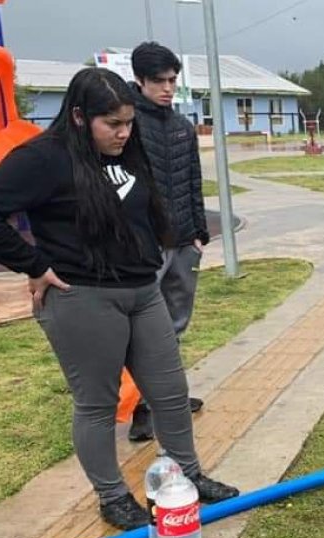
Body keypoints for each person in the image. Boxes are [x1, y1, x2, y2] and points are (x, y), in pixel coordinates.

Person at [0, 67, 239, 530]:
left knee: (170, 393)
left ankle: (187, 475)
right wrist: (33, 264)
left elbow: (144, 208)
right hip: (82, 297)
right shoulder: (46, 158)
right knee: (97, 404)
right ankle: (111, 496)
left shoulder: (127, 146)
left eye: (128, 123)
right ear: (82, 118)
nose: (124, 133)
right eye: (114, 124)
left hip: (143, 291)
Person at [125, 41, 210, 442]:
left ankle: (169, 397)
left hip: (183, 242)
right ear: (139, 80)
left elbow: (193, 180)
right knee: (144, 330)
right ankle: (141, 408)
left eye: (172, 80)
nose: (166, 88)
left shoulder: (181, 126)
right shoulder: (126, 126)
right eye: (157, 81)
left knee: (175, 324)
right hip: (145, 247)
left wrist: (198, 234)